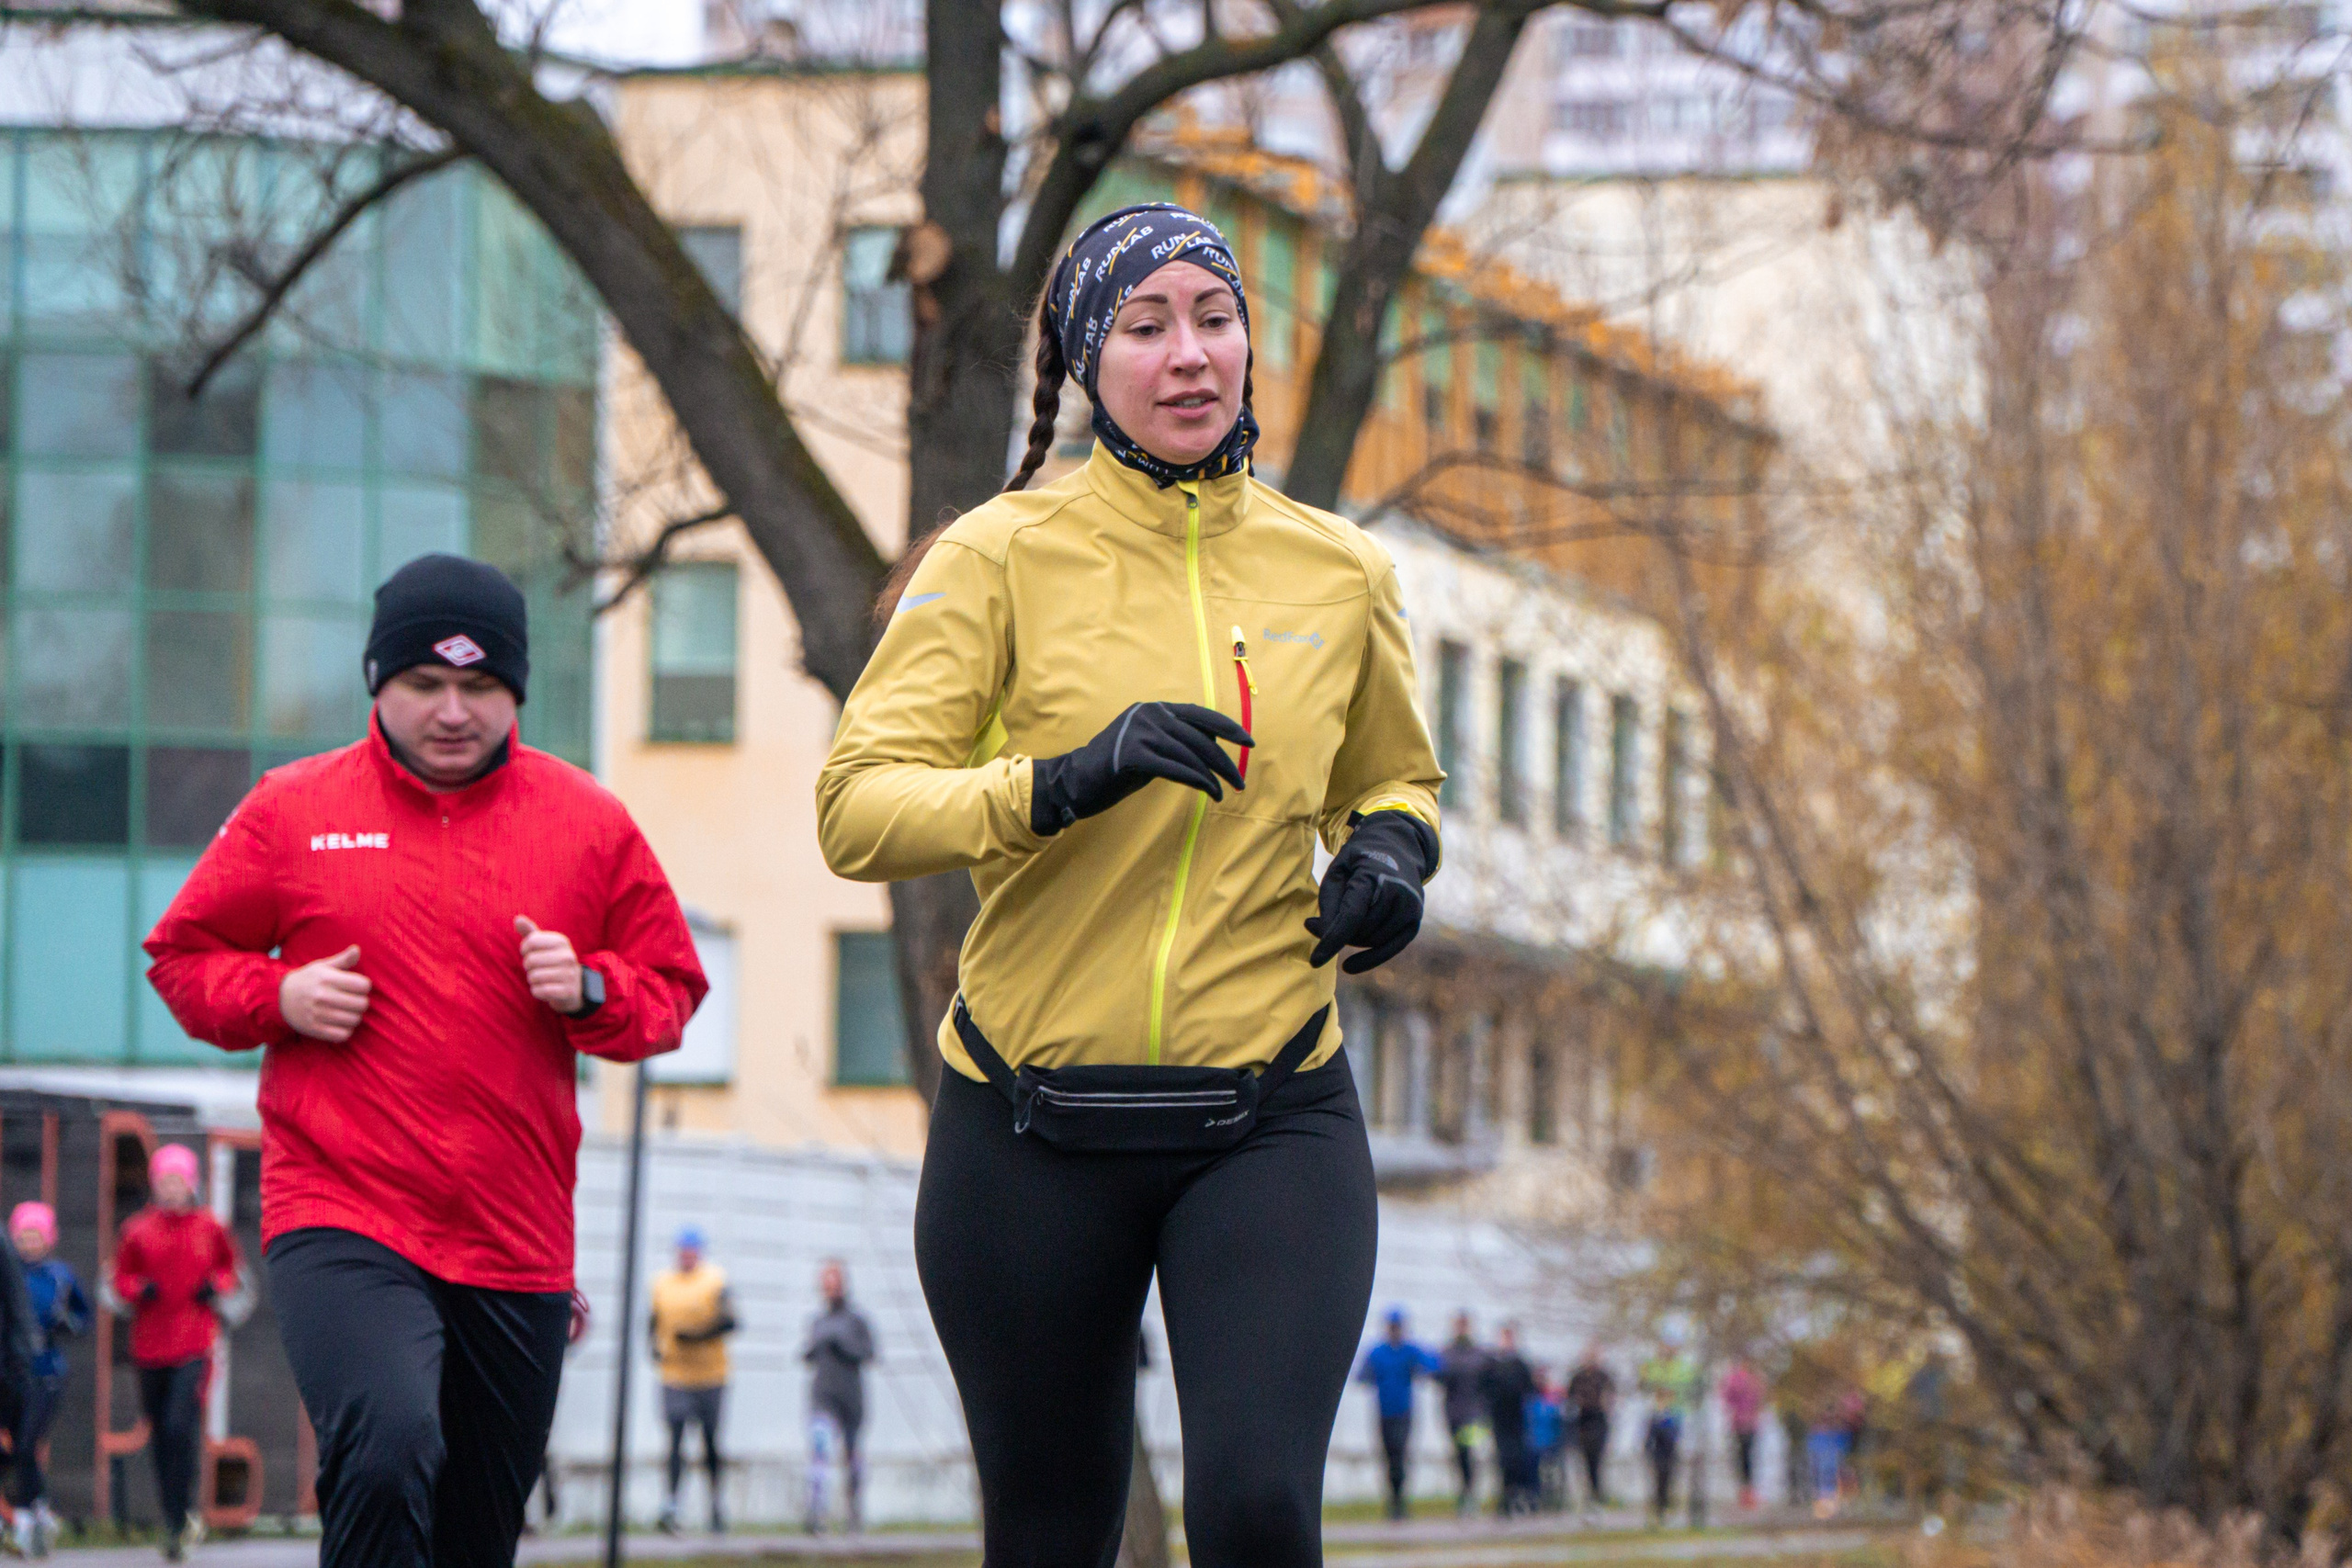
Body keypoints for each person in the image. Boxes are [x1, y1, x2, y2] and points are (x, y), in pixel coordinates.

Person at [818, 200, 1442, 1568]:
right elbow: (855, 808)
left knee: (1259, 1510)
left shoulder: (1338, 571)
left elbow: (1396, 777)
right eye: (1148, 326)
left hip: (1269, 1109)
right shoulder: (995, 558)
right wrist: (1058, 779)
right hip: (1027, 1125)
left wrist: (1391, 857)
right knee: (1049, 1536)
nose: (1189, 355)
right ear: (1091, 361)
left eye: (1214, 319)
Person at [143, 554, 707, 1568]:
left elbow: (671, 993)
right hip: (343, 1208)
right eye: (425, 684)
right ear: (377, 681)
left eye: (481, 686)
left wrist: (588, 988)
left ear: (516, 691)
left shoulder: (587, 823)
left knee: (476, 1531)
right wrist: (279, 996)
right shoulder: (291, 810)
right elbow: (180, 957)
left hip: (512, 1232)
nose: (453, 711)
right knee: (388, 1445)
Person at [113, 1145, 240, 1562]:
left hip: (194, 1343)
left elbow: (230, 1270)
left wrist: (216, 1286)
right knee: (159, 1432)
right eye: (163, 1181)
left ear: (191, 1183)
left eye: (177, 1181)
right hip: (149, 1346)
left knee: (178, 1425)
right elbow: (119, 1278)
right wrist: (137, 1290)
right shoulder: (136, 1229)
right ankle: (173, 1516)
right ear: (154, 1184)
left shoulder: (210, 1226)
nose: (170, 1189)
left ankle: (180, 1512)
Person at [11, 1202, 87, 1557]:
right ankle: (37, 1507)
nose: (28, 1244)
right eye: (22, 1237)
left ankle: (28, 1515)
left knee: (27, 1443)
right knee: (16, 1447)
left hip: (47, 1373)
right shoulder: (8, 1273)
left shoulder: (60, 1275)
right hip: (12, 1373)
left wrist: (66, 1324)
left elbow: (81, 1317)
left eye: (35, 1236)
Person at [650, 1227, 736, 1536]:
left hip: (711, 1376)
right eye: (682, 1251)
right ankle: (672, 1507)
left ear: (699, 1253)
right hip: (674, 1376)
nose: (686, 1256)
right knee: (674, 1440)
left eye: (691, 1250)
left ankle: (715, 1508)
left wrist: (697, 1336)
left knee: (709, 1442)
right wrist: (654, 1346)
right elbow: (653, 1319)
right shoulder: (662, 1282)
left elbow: (731, 1320)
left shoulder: (715, 1279)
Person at [801, 1259, 874, 1534]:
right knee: (819, 1450)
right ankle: (817, 1513)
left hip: (850, 1398)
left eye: (834, 1283)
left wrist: (842, 1347)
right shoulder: (818, 1321)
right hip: (823, 1396)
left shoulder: (857, 1320)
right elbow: (810, 1355)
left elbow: (868, 1353)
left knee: (852, 1456)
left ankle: (854, 1513)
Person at [1353, 1307, 1441, 1520]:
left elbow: (1434, 1365)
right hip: (1384, 1412)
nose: (1395, 1331)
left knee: (1400, 1455)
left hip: (1404, 1412)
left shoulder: (1410, 1350)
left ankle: (1400, 1502)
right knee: (1388, 1456)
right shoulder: (1377, 1352)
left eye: (1398, 1327)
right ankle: (1393, 1501)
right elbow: (1361, 1377)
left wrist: (1420, 1365)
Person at [1482, 1324, 1539, 1516]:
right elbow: (1484, 1391)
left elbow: (1530, 1390)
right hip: (1499, 1420)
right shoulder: (1491, 1365)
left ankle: (1517, 1496)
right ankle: (1505, 1499)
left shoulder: (1520, 1364)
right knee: (1503, 1459)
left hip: (1518, 1420)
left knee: (1518, 1459)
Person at [1637, 1344, 1696, 1528]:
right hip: (1656, 1438)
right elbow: (1643, 1384)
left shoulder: (1682, 1369)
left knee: (1669, 1473)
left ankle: (1666, 1505)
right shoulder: (1651, 1366)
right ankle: (1658, 1507)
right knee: (1656, 1474)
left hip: (1671, 1436)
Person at [1439, 1314, 1488, 1515]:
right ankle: (1464, 1494)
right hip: (1453, 1414)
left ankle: (1470, 1495)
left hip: (1475, 1415)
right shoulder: (1446, 1353)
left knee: (1470, 1453)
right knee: (1459, 1454)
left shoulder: (1479, 1354)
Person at [1566, 1346, 1616, 1515]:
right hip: (1582, 1422)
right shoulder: (1577, 1377)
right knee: (1584, 1461)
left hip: (1599, 1421)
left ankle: (1597, 1495)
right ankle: (1587, 1496)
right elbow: (1569, 1399)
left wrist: (1607, 1405)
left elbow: (1612, 1396)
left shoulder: (1603, 1376)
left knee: (1598, 1459)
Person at [1720, 1359, 1766, 1510]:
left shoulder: (1744, 1379)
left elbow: (1727, 1398)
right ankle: (1746, 1490)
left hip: (1746, 1423)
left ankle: (1747, 1489)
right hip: (1743, 1424)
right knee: (1745, 1457)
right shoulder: (1747, 1379)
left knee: (1746, 1457)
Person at [1527, 1372, 1569, 1513]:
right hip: (1535, 1444)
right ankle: (1538, 1502)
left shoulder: (1553, 1401)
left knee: (1552, 1476)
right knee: (1537, 1477)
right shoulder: (1531, 1401)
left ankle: (1554, 1502)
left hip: (1552, 1443)